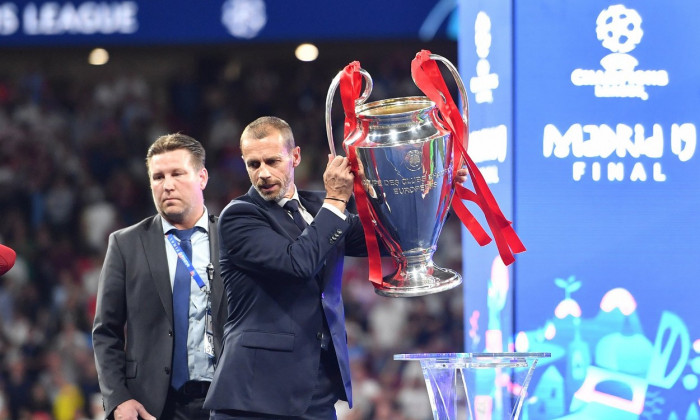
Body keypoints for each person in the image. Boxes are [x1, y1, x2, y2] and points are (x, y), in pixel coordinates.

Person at [204, 116, 467, 419]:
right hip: (254, 396)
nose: (263, 173)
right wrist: (335, 200)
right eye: (253, 164)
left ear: (296, 157)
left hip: (315, 390)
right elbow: (298, 263)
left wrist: (437, 194)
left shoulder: (319, 207)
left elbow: (390, 240)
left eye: (272, 161)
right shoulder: (239, 216)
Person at [92, 133, 227, 420]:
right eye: (158, 177)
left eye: (177, 173)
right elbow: (106, 332)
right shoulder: (125, 244)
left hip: (226, 402)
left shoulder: (231, 239)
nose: (167, 185)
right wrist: (118, 399)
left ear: (202, 177)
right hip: (152, 407)